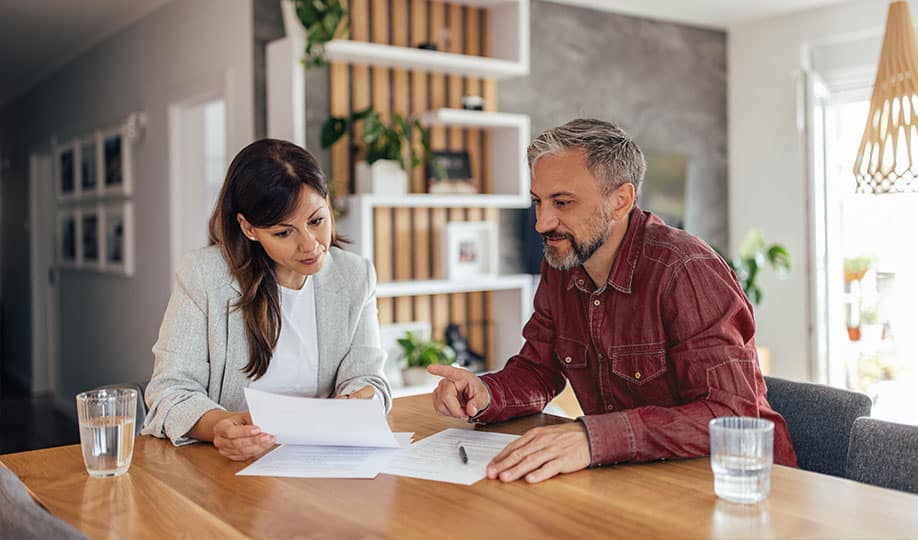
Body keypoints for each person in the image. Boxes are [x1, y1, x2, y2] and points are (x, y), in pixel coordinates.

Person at [429, 119, 797, 483]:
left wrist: (593, 438)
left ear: (621, 201)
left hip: (744, 489)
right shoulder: (563, 260)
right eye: (538, 202)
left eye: (562, 202)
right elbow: (538, 370)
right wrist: (487, 393)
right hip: (640, 482)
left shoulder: (685, 270)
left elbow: (732, 416)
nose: (542, 222)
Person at [143, 139, 390, 461]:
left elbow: (369, 379)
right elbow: (169, 391)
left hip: (323, 463)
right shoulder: (204, 276)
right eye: (283, 233)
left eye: (317, 221)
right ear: (248, 228)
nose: (310, 245)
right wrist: (220, 425)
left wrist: (358, 403)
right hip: (226, 469)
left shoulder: (355, 276)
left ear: (327, 202)